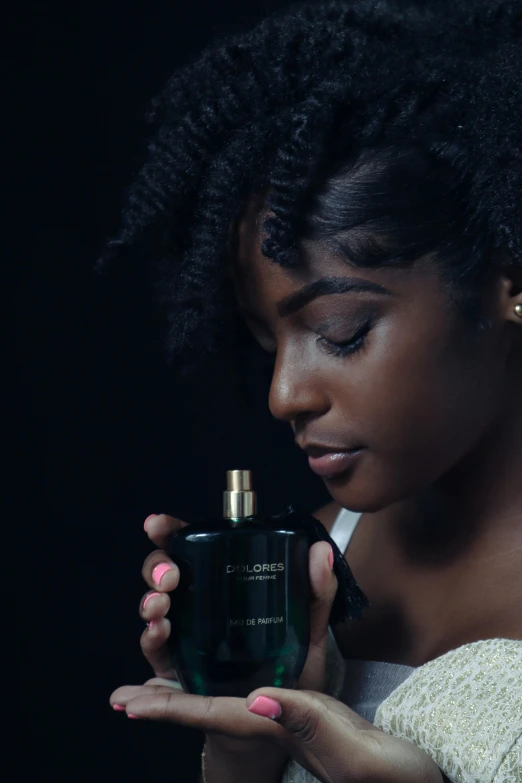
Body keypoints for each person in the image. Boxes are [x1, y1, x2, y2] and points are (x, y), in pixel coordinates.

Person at [101, 1, 522, 780]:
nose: (283, 394)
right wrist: (244, 742)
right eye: (268, 344)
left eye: (340, 331)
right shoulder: (317, 573)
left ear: (509, 281)